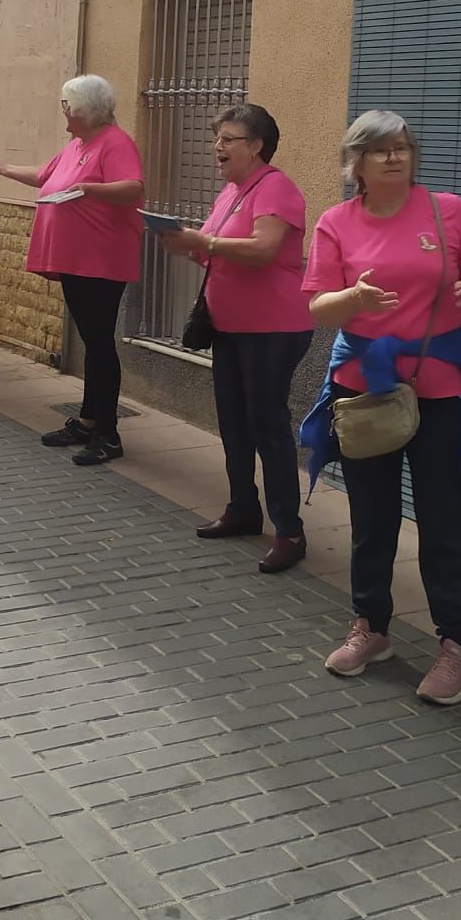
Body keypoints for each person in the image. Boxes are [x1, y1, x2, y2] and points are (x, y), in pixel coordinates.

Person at [301, 109, 461, 706]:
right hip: (365, 389)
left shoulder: (448, 211)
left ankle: (456, 647)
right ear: (356, 161)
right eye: (381, 149)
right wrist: (353, 297)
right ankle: (371, 628)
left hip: (439, 385)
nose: (395, 157)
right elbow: (318, 309)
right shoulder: (336, 222)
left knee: (445, 520)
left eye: (403, 147)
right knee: (372, 517)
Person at [157, 104, 313, 574]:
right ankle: (243, 508)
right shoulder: (231, 192)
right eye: (217, 138)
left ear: (257, 145)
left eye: (228, 139)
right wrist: (186, 244)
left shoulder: (277, 188)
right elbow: (214, 251)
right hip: (230, 326)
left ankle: (289, 529)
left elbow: (264, 249)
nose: (217, 148)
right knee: (233, 422)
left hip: (273, 329)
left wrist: (204, 244)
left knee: (267, 424)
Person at [0, 75, 145, 467]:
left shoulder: (115, 142)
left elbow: (132, 187)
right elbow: (44, 176)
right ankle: (88, 420)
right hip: (76, 260)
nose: (63, 111)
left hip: (100, 261)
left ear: (85, 108)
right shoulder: (77, 145)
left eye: (67, 104)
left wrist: (89, 189)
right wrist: (3, 169)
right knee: (91, 340)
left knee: (100, 344)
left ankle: (108, 433)